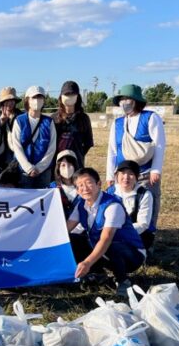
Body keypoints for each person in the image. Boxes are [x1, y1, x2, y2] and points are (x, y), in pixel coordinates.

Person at [67, 167, 145, 296]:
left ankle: (123, 281)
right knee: (72, 239)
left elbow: (106, 239)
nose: (85, 188)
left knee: (110, 245)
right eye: (80, 185)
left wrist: (87, 262)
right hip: (101, 248)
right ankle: (96, 274)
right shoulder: (81, 204)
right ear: (76, 190)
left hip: (131, 253)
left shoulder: (112, 205)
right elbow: (66, 229)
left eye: (88, 183)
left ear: (98, 184)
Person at [106, 83, 165, 231]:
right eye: (122, 99)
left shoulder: (150, 118)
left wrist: (156, 170)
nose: (124, 102)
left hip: (145, 174)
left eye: (128, 99)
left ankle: (147, 240)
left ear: (136, 101)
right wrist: (110, 175)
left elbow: (159, 145)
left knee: (147, 208)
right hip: (122, 176)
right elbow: (112, 150)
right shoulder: (118, 123)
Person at [10, 86, 58, 189]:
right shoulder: (19, 121)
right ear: (27, 100)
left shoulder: (49, 122)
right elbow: (17, 147)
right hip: (24, 171)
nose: (37, 100)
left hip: (44, 172)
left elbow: (52, 148)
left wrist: (40, 168)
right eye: (34, 97)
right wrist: (29, 168)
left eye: (40, 97)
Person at [109, 160, 155, 249]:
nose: (126, 177)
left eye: (131, 174)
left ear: (137, 177)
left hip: (138, 234)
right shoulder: (110, 192)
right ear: (116, 176)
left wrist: (119, 232)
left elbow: (143, 224)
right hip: (112, 232)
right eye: (122, 173)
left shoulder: (144, 195)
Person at [54, 80, 93, 169]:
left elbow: (88, 142)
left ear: (78, 97)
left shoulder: (84, 118)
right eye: (66, 94)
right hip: (57, 165)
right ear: (61, 97)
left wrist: (78, 153)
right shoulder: (54, 118)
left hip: (77, 163)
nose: (69, 97)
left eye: (72, 94)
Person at [0, 86, 23, 179]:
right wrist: (2, 124)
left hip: (17, 157)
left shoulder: (21, 116)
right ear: (2, 103)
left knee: (15, 183)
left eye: (12, 100)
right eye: (6, 101)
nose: (9, 103)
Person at [52, 149, 80, 215]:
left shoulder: (83, 186)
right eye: (63, 165)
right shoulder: (52, 187)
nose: (67, 168)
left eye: (70, 164)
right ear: (58, 168)